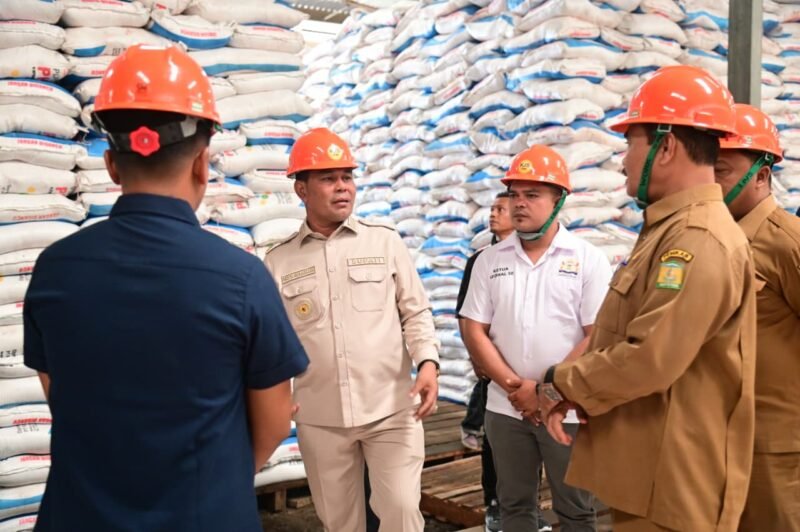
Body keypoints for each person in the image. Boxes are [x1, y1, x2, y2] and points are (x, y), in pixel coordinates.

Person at [22, 45, 309, 531]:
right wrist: (213, 477)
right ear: (202, 164)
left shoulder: (54, 270)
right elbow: (275, 421)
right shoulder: (242, 278)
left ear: (112, 166)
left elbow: (59, 393)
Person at [538, 65, 757, 532]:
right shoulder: (670, 230)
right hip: (649, 474)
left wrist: (564, 383)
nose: (623, 161)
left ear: (667, 145)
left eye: (630, 144)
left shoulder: (698, 238)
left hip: (673, 490)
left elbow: (650, 357)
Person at [264, 127, 439, 532]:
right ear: (301, 190)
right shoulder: (278, 262)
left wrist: (428, 363)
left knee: (400, 510)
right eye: (328, 179)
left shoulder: (384, 243)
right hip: (320, 416)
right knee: (339, 522)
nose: (342, 188)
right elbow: (271, 344)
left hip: (391, 408)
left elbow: (416, 312)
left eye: (347, 177)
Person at [460, 145, 610, 532]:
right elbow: (473, 328)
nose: (519, 204)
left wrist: (545, 392)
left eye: (532, 195)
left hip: (569, 409)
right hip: (505, 409)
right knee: (515, 507)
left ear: (558, 200)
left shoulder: (587, 258)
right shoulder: (489, 261)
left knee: (576, 509)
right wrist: (515, 387)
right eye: (514, 194)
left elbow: (597, 336)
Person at [712, 104, 800, 532]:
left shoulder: (785, 242)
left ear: (761, 176)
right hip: (718, 437)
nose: (711, 184)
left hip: (774, 445)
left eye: (723, 171)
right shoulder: (711, 240)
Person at [456, 192, 516, 532]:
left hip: (524, 366)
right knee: (493, 437)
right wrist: (477, 355)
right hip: (491, 362)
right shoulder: (480, 259)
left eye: (499, 209)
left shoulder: (533, 258)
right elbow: (466, 314)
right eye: (491, 208)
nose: (492, 215)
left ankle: (526, 504)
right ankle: (493, 500)